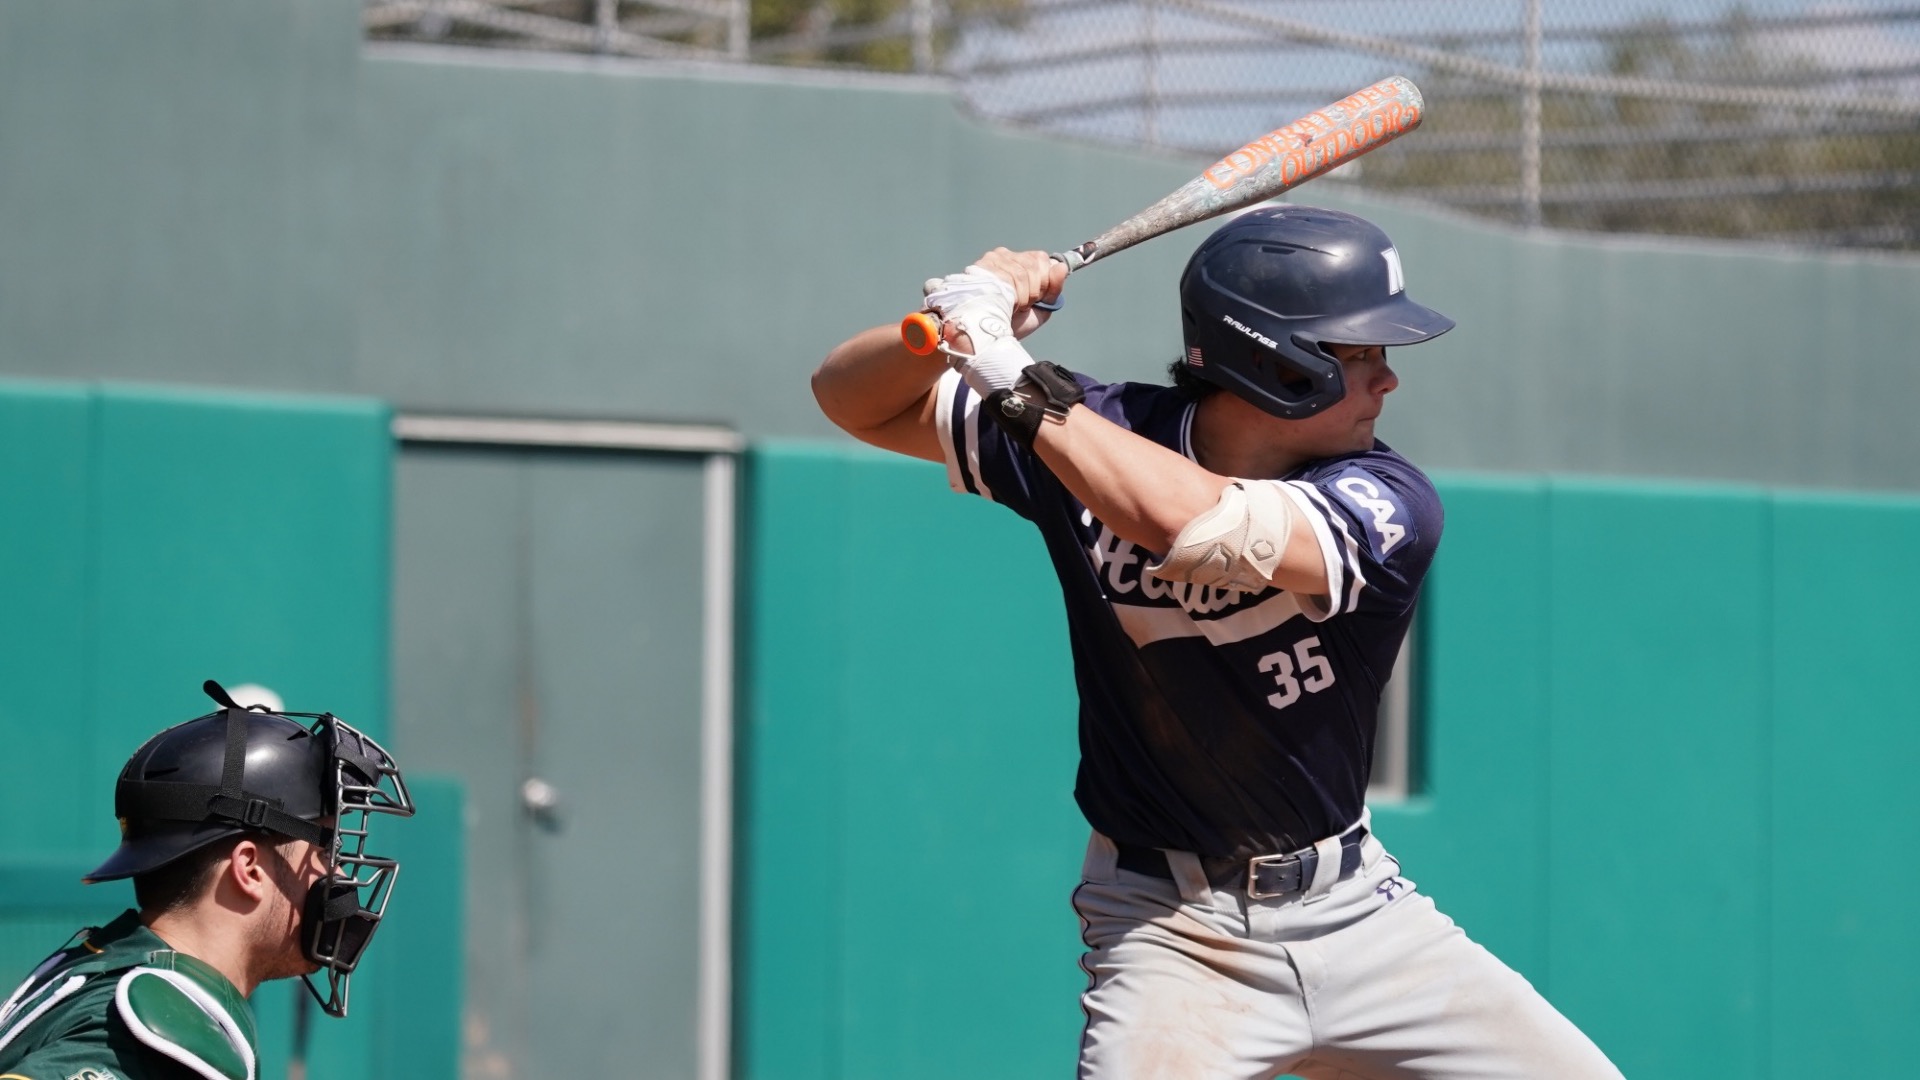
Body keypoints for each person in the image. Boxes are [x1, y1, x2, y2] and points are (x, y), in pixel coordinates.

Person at [812, 205, 1621, 1079]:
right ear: (1276, 363)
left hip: (1359, 917)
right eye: (1360, 354)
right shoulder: (1092, 431)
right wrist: (951, 331)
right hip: (1170, 932)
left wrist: (1009, 372)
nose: (1389, 382)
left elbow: (1197, 525)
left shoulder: (1389, 497)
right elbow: (848, 399)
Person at [0, 681, 414, 1080]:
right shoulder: (145, 1037)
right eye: (325, 852)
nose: (339, 875)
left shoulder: (108, 967)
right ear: (249, 868)